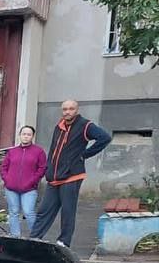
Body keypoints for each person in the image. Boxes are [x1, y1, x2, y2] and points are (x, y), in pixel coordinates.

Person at [31, 100, 112, 247]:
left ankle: (63, 242)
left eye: (71, 109)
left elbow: (105, 138)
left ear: (76, 110)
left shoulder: (85, 125)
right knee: (44, 210)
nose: (67, 112)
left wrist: (84, 155)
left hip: (72, 176)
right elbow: (53, 150)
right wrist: (48, 169)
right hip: (54, 177)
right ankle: (34, 239)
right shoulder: (59, 126)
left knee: (67, 212)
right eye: (65, 109)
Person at [0, 125, 47, 237]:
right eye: (24, 134)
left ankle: (36, 236)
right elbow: (3, 167)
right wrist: (7, 179)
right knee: (14, 212)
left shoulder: (39, 151)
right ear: (20, 135)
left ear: (32, 136)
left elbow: (42, 168)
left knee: (28, 212)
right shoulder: (12, 151)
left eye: (29, 134)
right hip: (11, 188)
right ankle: (15, 236)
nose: (26, 136)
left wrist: (33, 181)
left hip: (29, 189)